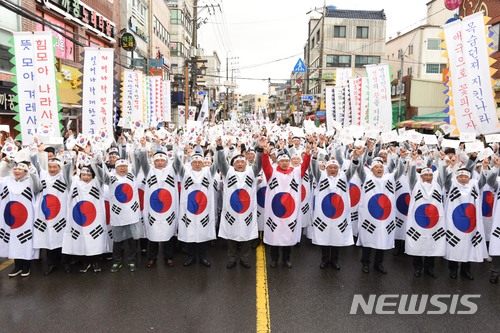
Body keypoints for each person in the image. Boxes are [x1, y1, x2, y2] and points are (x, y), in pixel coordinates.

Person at [262, 139, 311, 268]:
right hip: (275, 211)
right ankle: (274, 259)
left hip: (290, 211)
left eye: (286, 161)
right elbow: (265, 165)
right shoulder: (272, 172)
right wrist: (265, 154)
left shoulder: (296, 173)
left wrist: (308, 154)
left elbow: (305, 166)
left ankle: (286, 258)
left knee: (288, 235)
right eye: (282, 161)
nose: (284, 163)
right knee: (275, 235)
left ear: (289, 162)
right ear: (278, 162)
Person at [217, 136, 263, 269]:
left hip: (247, 210)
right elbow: (221, 162)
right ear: (233, 164)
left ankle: (244, 258)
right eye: (237, 162)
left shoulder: (251, 172)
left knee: (247, 235)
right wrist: (220, 148)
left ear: (246, 163)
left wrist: (259, 149)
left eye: (242, 162)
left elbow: (258, 164)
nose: (240, 164)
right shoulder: (228, 172)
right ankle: (231, 258)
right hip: (232, 210)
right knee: (231, 235)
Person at [355, 154, 404, 274]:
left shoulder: (389, 178)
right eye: (376, 167)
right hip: (370, 216)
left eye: (381, 167)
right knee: (368, 239)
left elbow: (401, 170)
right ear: (371, 169)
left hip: (384, 217)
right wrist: (359, 156)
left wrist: (401, 157)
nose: (379, 169)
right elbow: (359, 168)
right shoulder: (367, 178)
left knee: (381, 239)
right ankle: (365, 263)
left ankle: (379, 263)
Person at [310, 147, 358, 270]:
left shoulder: (344, 178)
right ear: (326, 169)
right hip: (324, 214)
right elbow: (315, 169)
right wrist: (314, 158)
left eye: (335, 168)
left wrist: (356, 158)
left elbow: (352, 170)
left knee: (336, 237)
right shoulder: (321, 177)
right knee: (325, 237)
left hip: (339, 214)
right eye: (330, 167)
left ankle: (335, 260)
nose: (333, 169)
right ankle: (325, 259)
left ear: (339, 169)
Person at [441, 162, 489, 280]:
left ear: (469, 177)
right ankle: (453, 269)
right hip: (454, 223)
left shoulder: (474, 185)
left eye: (466, 176)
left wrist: (486, 167)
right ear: (457, 177)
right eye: (461, 176)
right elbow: (445, 180)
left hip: (470, 223)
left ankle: (465, 270)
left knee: (468, 245)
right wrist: (450, 167)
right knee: (454, 246)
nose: (463, 179)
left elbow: (484, 180)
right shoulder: (452, 184)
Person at [174, 149, 218, 267]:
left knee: (203, 234)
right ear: (191, 163)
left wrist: (218, 148)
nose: (197, 164)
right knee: (190, 233)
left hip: (203, 209)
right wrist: (176, 148)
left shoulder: (208, 173)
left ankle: (203, 257)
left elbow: (218, 163)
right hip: (189, 209)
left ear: (203, 163)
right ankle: (190, 257)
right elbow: (177, 164)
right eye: (195, 162)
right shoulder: (186, 173)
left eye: (199, 162)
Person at [97, 158, 142, 273]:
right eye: (120, 166)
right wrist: (97, 163)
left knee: (132, 240)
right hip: (118, 215)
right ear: (115, 168)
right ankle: (117, 261)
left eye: (125, 166)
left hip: (131, 214)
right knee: (117, 241)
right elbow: (101, 174)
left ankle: (132, 260)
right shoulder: (111, 178)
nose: (123, 168)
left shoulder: (132, 176)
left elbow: (139, 161)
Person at [137, 148, 179, 269]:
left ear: (166, 161)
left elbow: (178, 162)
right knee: (153, 234)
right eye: (157, 160)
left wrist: (178, 148)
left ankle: (168, 257)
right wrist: (143, 146)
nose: (160, 163)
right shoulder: (149, 171)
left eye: (162, 160)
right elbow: (143, 161)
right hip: (153, 209)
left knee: (169, 233)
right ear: (153, 162)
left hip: (168, 208)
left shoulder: (171, 170)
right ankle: (152, 258)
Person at [61, 165, 107, 273]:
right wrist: (70, 161)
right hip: (79, 218)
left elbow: (101, 175)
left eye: (89, 175)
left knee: (95, 240)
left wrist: (95, 163)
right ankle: (84, 262)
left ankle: (96, 261)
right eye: (83, 175)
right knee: (81, 239)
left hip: (95, 218)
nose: (86, 177)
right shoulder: (74, 183)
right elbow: (66, 175)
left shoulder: (97, 183)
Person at [31, 155, 72, 275]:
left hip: (61, 213)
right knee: (49, 237)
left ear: (60, 168)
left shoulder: (64, 177)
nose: (52, 169)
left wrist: (69, 159)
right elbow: (36, 165)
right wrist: (34, 151)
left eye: (55, 167)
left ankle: (66, 264)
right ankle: (51, 264)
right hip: (47, 213)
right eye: (50, 167)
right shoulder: (43, 176)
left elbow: (68, 170)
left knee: (63, 238)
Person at [0, 161, 41, 277]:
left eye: (20, 169)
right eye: (15, 169)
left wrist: (33, 168)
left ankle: (26, 266)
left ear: (26, 171)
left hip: (27, 218)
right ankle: (17, 266)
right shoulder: (7, 181)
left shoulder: (30, 182)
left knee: (26, 241)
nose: (17, 171)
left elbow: (38, 187)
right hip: (11, 218)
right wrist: (6, 164)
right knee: (14, 241)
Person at [405, 165, 446, 279]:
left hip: (433, 220)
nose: (428, 177)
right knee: (417, 243)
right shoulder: (416, 185)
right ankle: (417, 268)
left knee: (432, 243)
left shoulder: (437, 185)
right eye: (426, 175)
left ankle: (429, 268)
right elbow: (412, 176)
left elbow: (443, 176)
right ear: (421, 176)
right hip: (418, 221)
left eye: (430, 175)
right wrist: (413, 162)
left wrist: (442, 161)